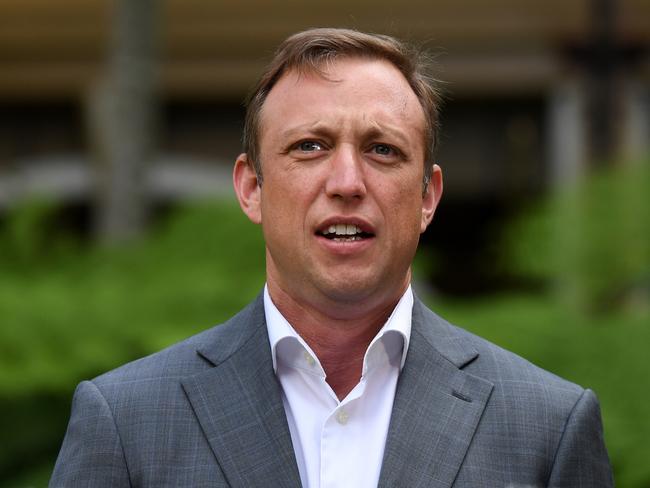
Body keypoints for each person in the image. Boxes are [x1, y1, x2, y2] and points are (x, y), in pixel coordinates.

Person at [50, 28, 613, 487]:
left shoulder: (546, 427)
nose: (347, 181)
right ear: (251, 189)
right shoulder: (126, 422)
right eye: (310, 147)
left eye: (383, 150)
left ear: (427, 198)